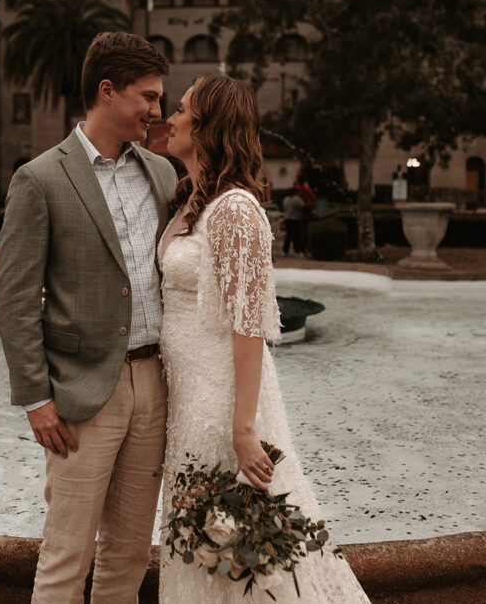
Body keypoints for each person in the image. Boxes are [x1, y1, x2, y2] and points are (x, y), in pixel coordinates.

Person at [158, 76, 370, 603]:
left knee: (251, 553)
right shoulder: (193, 202)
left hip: (225, 404)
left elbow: (250, 323)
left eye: (182, 109)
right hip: (188, 401)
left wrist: (243, 428)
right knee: (201, 543)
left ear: (206, 127)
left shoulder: (234, 210)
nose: (170, 117)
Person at [0, 32, 176, 604]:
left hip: (155, 382)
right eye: (147, 97)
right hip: (79, 393)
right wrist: (36, 398)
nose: (157, 110)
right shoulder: (40, 178)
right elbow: (15, 297)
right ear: (107, 91)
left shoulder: (163, 175)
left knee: (127, 554)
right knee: (66, 554)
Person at [281, 189, 305, 255]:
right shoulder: (297, 199)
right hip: (295, 219)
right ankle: (297, 249)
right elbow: (302, 207)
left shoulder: (286, 199)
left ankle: (285, 249)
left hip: (287, 219)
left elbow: (283, 208)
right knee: (296, 235)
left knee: (288, 235)